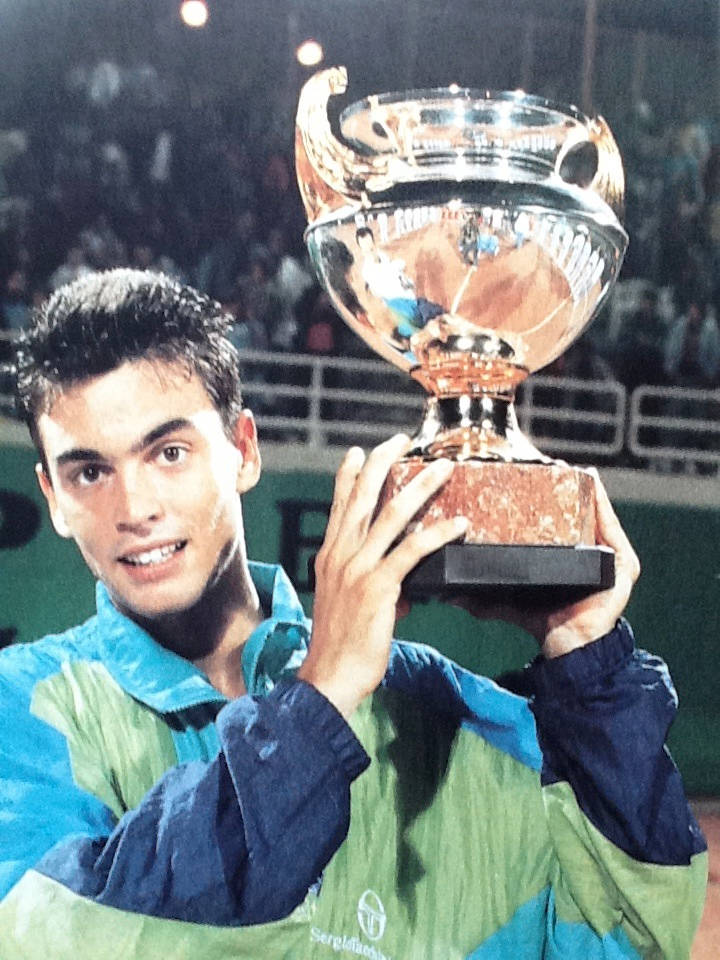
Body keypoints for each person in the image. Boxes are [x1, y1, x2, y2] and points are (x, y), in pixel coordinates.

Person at [0, 268, 706, 959]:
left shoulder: (434, 711)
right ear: (54, 497)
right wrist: (321, 700)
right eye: (89, 472)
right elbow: (57, 938)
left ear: (243, 450)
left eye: (170, 452)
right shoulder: (20, 711)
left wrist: (587, 670)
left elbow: (626, 941)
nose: (135, 509)